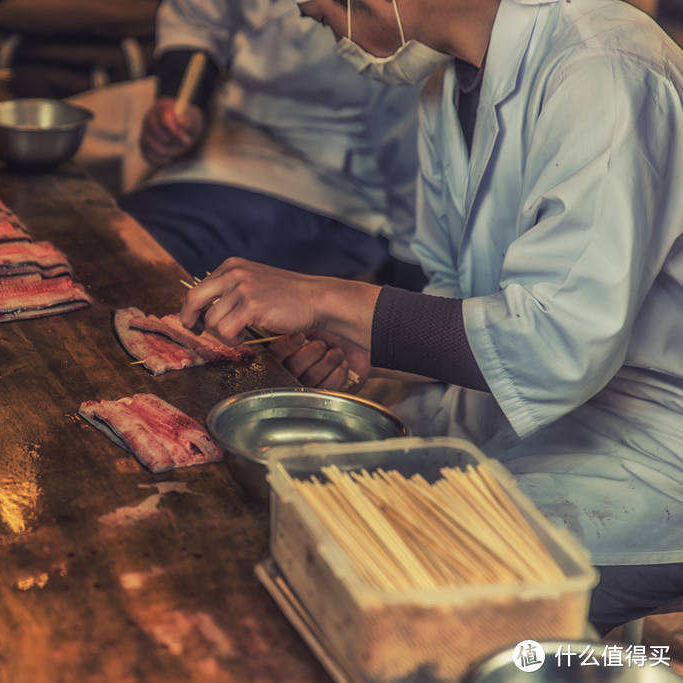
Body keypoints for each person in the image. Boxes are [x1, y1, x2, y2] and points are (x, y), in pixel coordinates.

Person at [181, 0, 683, 634]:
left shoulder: (606, 67)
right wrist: (363, 343)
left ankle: (606, 664)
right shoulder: (447, 91)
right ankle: (576, 656)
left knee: (394, 595)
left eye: (313, 4)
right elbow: (461, 297)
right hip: (536, 422)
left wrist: (328, 298)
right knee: (307, 527)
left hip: (653, 456)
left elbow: (559, 343)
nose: (306, 11)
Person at [118, 0, 425, 284]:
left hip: (335, 191)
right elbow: (198, 17)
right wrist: (181, 99)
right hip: (227, 145)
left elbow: (410, 160)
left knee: (146, 267)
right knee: (115, 239)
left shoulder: (400, 27)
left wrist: (405, 281)